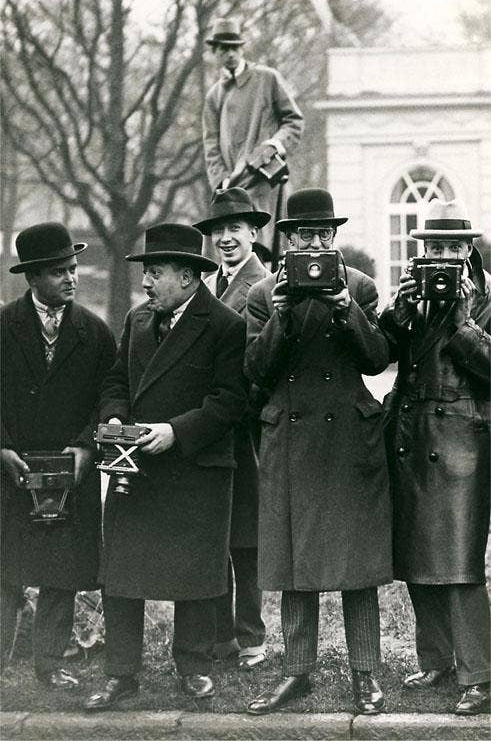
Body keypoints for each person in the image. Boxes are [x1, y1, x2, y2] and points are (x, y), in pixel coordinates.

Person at [85, 223, 247, 710]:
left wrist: (176, 431)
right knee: (122, 573)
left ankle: (194, 667)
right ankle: (121, 674)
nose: (147, 283)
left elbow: (230, 401)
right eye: (146, 273)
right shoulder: (137, 320)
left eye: (155, 273)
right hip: (136, 468)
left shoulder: (224, 325)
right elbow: (115, 380)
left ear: (187, 277)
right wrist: (116, 417)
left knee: (194, 574)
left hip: (195, 469)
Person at [244, 188, 392, 715]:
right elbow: (255, 371)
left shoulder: (359, 286)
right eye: (304, 235)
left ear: (334, 238)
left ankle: (365, 673)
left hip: (348, 437)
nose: (314, 245)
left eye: (323, 235)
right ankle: (296, 672)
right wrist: (282, 317)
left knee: (358, 564)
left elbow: (376, 360)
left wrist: (346, 309)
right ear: (287, 241)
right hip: (292, 436)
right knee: (294, 562)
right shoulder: (264, 293)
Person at [379, 199, 490, 716]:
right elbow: (379, 355)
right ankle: (437, 659)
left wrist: (464, 322)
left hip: (464, 441)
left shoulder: (485, 299)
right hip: (412, 435)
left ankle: (480, 673)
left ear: (468, 250)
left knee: (460, 562)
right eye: (434, 249)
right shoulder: (415, 297)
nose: (442, 258)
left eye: (451, 248)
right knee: (417, 554)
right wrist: (396, 314)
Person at [0, 222, 116, 684]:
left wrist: (87, 446)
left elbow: (110, 399)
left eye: (72, 268)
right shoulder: (2, 327)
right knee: (5, 569)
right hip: (10, 470)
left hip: (72, 472)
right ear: (32, 278)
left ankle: (49, 665)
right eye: (57, 272)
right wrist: (1, 448)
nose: (70, 278)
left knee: (62, 572)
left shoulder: (96, 333)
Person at [195, 187, 269, 669]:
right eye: (218, 230)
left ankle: (251, 635)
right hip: (210, 424)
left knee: (246, 535)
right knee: (214, 532)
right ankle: (220, 633)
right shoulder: (204, 285)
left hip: (248, 428)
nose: (225, 238)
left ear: (254, 233)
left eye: (235, 229)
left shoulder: (266, 284)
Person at [202, 17, 304, 254]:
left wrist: (275, 144)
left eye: (235, 47)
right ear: (215, 52)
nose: (230, 54)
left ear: (242, 49)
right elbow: (211, 145)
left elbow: (294, 121)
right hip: (233, 190)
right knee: (234, 251)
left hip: (266, 181)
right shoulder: (214, 96)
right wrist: (222, 180)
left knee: (271, 250)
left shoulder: (267, 79)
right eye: (224, 48)